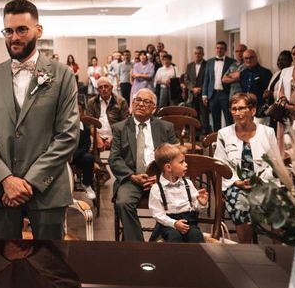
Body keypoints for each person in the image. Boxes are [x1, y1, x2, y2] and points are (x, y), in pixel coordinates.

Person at [0, 0, 79, 240]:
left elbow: (68, 135)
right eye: (8, 31)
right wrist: (5, 179)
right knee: (1, 266)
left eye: (22, 29)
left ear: (38, 31)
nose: (14, 37)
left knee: (48, 267)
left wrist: (29, 182)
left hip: (48, 189)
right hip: (0, 190)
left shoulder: (62, 75)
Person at [109, 88, 177, 242]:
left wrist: (160, 177)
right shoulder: (120, 128)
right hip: (131, 178)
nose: (140, 104)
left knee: (178, 202)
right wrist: (132, 176)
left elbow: (176, 157)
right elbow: (114, 158)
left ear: (154, 108)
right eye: (137, 100)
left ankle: (159, 241)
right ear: (132, 104)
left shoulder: (166, 127)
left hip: (160, 179)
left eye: (146, 102)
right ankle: (138, 246)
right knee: (123, 202)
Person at [214, 93, 277, 243]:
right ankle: (246, 250)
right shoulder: (224, 134)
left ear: (252, 111)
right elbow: (220, 163)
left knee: (279, 202)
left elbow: (275, 163)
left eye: (241, 108)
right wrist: (236, 181)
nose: (237, 113)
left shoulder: (267, 132)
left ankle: (278, 250)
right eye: (233, 109)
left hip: (263, 182)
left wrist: (259, 179)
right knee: (240, 204)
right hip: (235, 184)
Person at [148, 144, 208, 243]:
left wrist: (201, 203)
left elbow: (195, 206)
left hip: (189, 222)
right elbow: (158, 214)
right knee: (174, 236)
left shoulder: (187, 184)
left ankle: (196, 257)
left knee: (196, 235)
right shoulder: (157, 189)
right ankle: (176, 258)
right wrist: (174, 223)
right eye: (181, 162)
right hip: (168, 224)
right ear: (168, 167)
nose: (186, 165)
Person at [85, 76, 129, 150]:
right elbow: (90, 124)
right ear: (97, 89)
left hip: (115, 136)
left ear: (111, 88)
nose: (103, 89)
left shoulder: (121, 101)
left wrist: (112, 138)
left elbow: (125, 123)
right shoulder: (91, 102)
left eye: (106, 86)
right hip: (96, 136)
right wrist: (98, 140)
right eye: (100, 87)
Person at [202, 41, 235, 131]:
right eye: (217, 48)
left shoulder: (232, 62)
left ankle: (230, 138)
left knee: (228, 118)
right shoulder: (209, 62)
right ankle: (216, 140)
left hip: (226, 94)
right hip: (213, 94)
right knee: (215, 119)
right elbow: (206, 79)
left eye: (221, 48)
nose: (219, 50)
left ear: (225, 50)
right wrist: (204, 95)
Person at [183, 46, 210, 136]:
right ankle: (194, 134)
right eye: (196, 53)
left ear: (203, 54)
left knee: (204, 114)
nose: (197, 55)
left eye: (199, 53)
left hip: (203, 93)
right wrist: (192, 88)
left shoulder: (208, 64)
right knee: (193, 114)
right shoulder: (189, 65)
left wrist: (200, 88)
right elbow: (186, 79)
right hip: (192, 94)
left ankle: (205, 134)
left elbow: (209, 79)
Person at [239, 49, 272, 121]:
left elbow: (269, 92)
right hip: (246, 109)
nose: (248, 60)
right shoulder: (243, 73)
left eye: (251, 57)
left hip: (260, 110)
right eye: (246, 58)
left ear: (256, 58)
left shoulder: (265, 72)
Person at [74, 102, 96, 200]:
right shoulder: (63, 125)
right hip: (63, 156)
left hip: (77, 157)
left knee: (89, 157)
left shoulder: (85, 129)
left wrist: (73, 156)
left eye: (78, 112)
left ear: (82, 113)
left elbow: (85, 147)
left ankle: (87, 184)